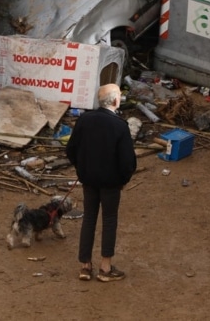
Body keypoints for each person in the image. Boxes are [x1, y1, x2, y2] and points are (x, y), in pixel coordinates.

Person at [66, 82, 137, 282]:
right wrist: (123, 179)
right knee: (109, 220)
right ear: (115, 100)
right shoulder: (120, 126)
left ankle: (85, 265)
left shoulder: (84, 120)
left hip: (88, 179)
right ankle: (105, 267)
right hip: (111, 182)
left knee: (89, 218)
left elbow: (71, 150)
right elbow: (127, 161)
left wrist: (81, 169)